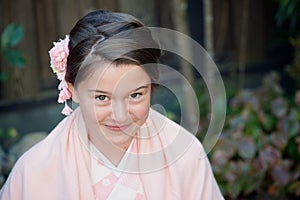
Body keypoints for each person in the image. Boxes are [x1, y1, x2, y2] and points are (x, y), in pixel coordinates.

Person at [0, 10, 224, 200]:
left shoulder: (185, 154)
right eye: (101, 98)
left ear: (152, 85)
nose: (120, 116)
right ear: (73, 88)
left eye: (135, 95)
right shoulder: (34, 171)